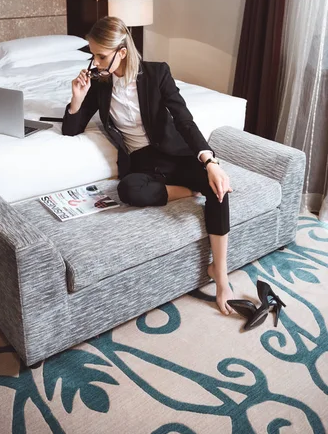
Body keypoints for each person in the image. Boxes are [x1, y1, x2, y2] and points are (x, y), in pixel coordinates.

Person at [62, 16, 233, 315]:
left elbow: (184, 119)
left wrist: (210, 161)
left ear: (122, 52)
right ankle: (191, 191)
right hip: (141, 162)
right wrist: (76, 99)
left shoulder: (157, 73)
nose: (96, 62)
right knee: (129, 190)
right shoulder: (100, 85)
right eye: (93, 55)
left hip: (175, 153)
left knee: (219, 188)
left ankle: (220, 274)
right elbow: (71, 129)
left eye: (102, 55)